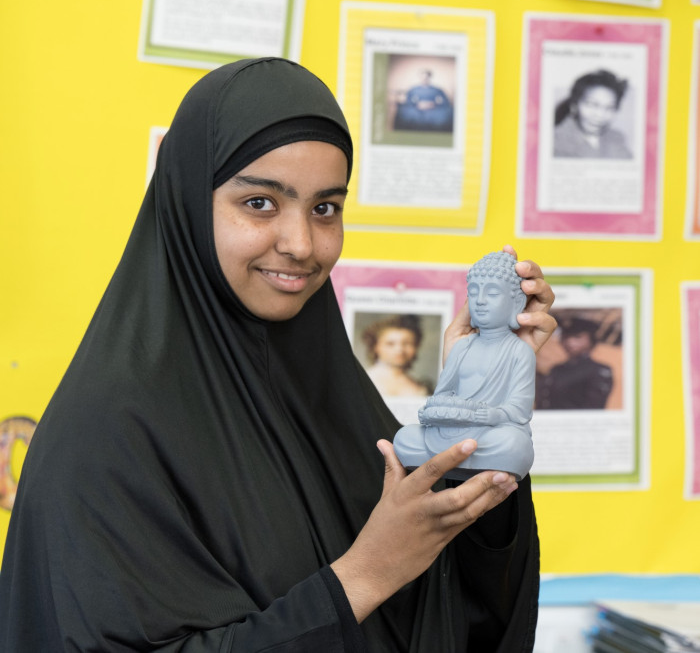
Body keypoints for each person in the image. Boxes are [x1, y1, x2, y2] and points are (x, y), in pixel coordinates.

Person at [0, 57, 556, 652]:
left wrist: (474, 413)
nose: (301, 245)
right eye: (260, 202)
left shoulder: (335, 403)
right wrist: (363, 577)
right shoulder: (105, 434)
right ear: (190, 201)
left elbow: (454, 618)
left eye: (325, 208)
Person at [393, 252, 536, 482]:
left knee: (515, 445)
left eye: (491, 292)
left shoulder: (519, 351)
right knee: (404, 438)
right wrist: (435, 411)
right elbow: (445, 393)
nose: (479, 300)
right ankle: (461, 458)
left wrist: (493, 414)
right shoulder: (462, 347)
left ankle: (459, 459)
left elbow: (519, 409)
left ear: (516, 302)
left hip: (491, 432)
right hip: (451, 430)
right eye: (473, 292)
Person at [553, 69, 633, 159]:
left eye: (609, 107)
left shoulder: (617, 139)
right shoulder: (555, 140)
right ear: (574, 106)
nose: (600, 115)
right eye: (592, 105)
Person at [537, 317, 613, 411]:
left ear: (591, 340)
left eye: (577, 337)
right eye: (566, 337)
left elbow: (593, 408)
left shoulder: (598, 370)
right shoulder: (556, 369)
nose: (570, 342)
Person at [362, 314, 432, 397]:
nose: (399, 351)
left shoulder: (420, 386)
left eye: (407, 343)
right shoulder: (363, 380)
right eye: (390, 344)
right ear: (375, 347)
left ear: (416, 346)